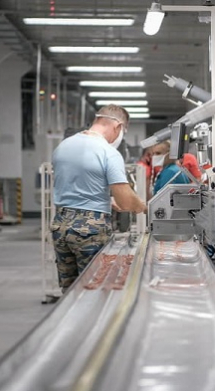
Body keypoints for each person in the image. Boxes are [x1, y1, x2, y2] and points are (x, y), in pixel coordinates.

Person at [51, 104, 147, 293]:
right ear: (118, 127)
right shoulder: (107, 152)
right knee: (94, 289)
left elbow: (75, 185)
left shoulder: (64, 146)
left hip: (60, 225)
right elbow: (126, 201)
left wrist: (106, 201)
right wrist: (144, 207)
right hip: (89, 229)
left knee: (70, 291)